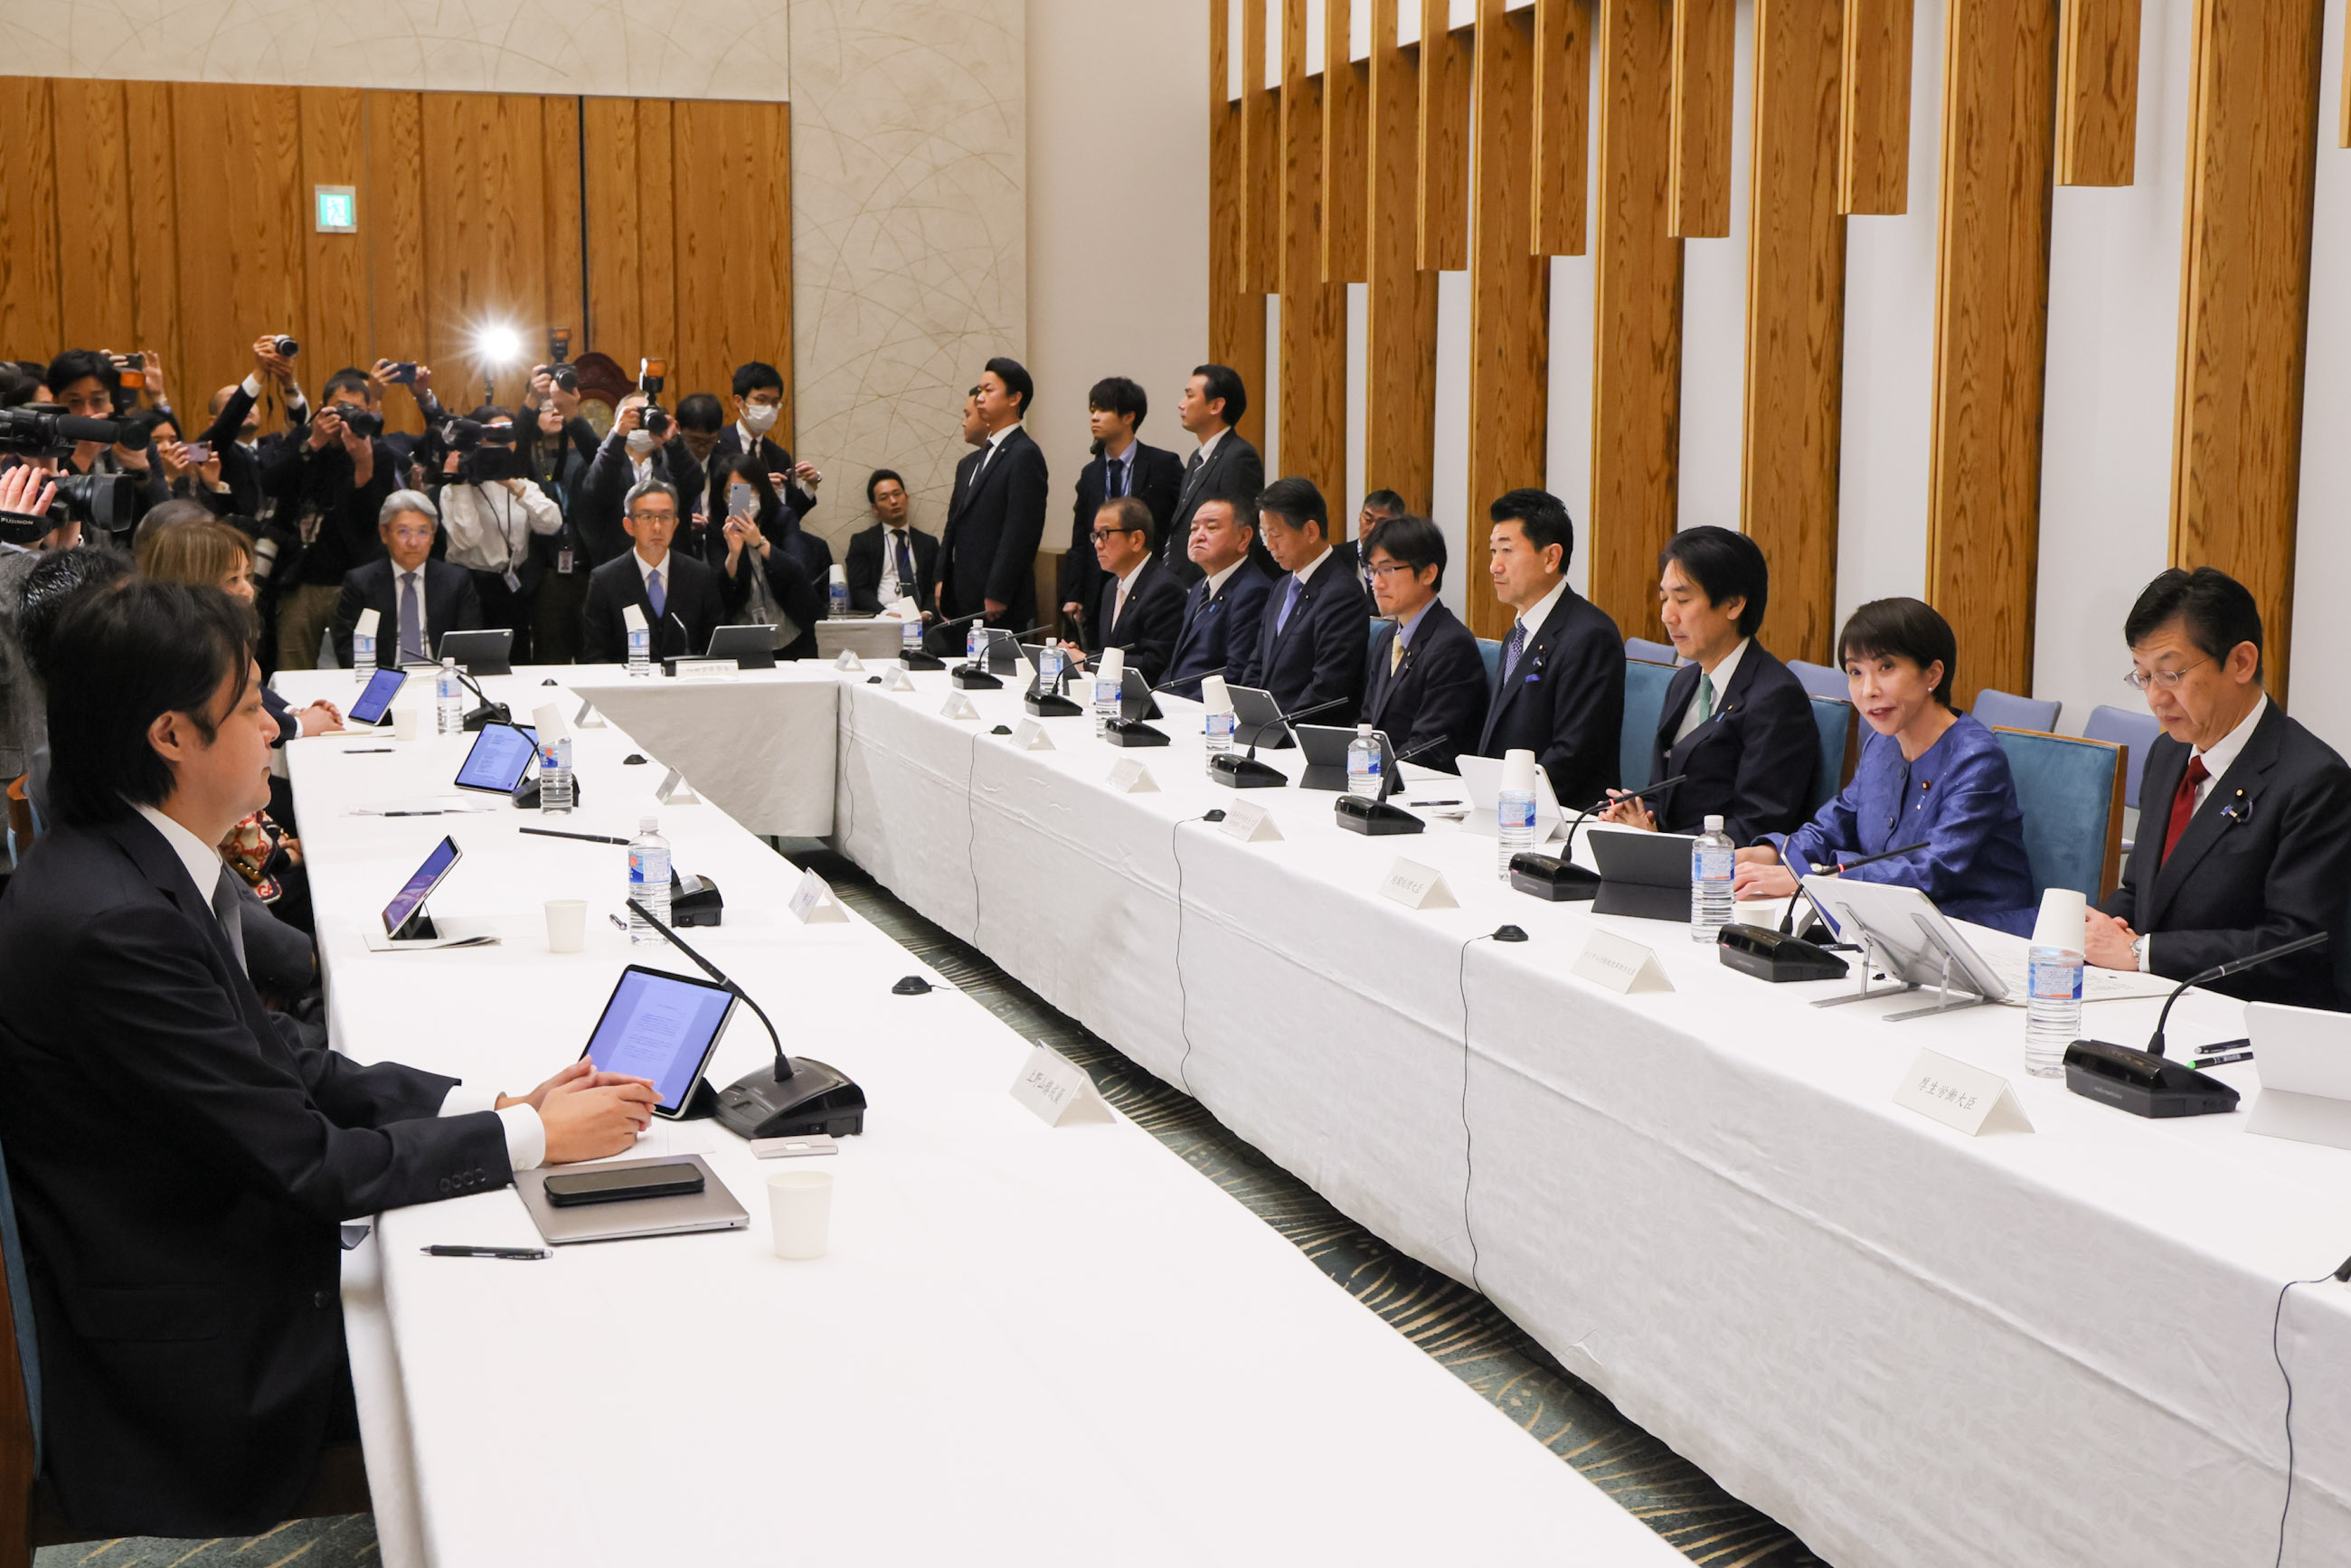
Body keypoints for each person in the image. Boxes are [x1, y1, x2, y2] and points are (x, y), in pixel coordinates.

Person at [0, 579, 657, 1537]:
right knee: (541, 1331)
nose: (274, 725)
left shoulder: (126, 857)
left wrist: (485, 1105)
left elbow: (281, 1064)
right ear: (171, 736)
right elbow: (307, 1166)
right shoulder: (115, 926)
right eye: (251, 703)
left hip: (202, 1262)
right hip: (198, 1370)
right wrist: (524, 1138)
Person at [2085, 568, 2351, 1006]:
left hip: (2245, 1023)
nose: (2155, 698)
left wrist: (2142, 953)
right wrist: (2098, 924)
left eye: (2170, 674)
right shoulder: (2168, 754)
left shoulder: (2313, 781)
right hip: (2150, 1001)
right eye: (2143, 676)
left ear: (2241, 662)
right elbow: (2143, 892)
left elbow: (2298, 943)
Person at [1736, 598, 2035, 935]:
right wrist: (1767, 853)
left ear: (1933, 674)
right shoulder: (1881, 743)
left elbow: (1933, 870)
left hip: (1975, 932)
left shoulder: (1976, 758)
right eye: (1855, 672)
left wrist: (1812, 879)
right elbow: (1836, 823)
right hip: (1889, 925)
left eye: (1886, 668)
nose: (1868, 690)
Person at [1599, 525, 1818, 844]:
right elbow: (1665, 796)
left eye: (1683, 600)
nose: (1667, 616)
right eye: (1664, 599)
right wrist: (1633, 816)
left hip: (1723, 879)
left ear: (1733, 604)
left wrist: (1660, 844)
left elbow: (1759, 827)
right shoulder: (1685, 680)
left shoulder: (1776, 698)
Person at [1469, 488, 1622, 806]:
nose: (1494, 566)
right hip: (1508, 809)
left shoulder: (1590, 636)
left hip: (1561, 818)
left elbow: (1574, 754)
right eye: (1493, 552)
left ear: (1551, 557)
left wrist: (1508, 801)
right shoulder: (1517, 634)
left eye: (1507, 551)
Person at [268, 367, 395, 670]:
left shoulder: (379, 452)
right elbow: (271, 484)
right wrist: (313, 444)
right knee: (292, 666)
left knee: (361, 667)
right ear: (324, 408)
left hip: (355, 579)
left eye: (357, 411)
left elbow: (372, 520)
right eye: (341, 409)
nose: (348, 418)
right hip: (301, 579)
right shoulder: (304, 438)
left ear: (369, 412)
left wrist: (363, 463)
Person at [1059, 375, 1184, 644]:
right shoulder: (1091, 473)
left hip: (1148, 583)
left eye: (1103, 410)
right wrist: (1073, 593)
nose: (1095, 417)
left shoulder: (1163, 464)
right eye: (1092, 410)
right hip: (1098, 587)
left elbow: (1181, 525)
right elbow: (1080, 537)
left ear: (1129, 416)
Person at [1361, 513, 1485, 773]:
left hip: (1423, 788)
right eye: (1372, 570)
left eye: (1388, 569)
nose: (1376, 583)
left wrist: (1374, 767)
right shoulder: (1387, 637)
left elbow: (1432, 746)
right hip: (1381, 781)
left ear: (1428, 573)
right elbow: (1368, 721)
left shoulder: (1452, 646)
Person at [437, 405, 563, 659]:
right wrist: (461, 482)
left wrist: (512, 484)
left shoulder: (523, 485)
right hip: (469, 586)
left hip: (513, 586)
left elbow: (552, 523)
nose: (500, 445)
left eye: (506, 437)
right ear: (476, 441)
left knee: (516, 662)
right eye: (491, 437)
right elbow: (467, 539)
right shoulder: (454, 490)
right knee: (471, 662)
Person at [935, 356, 1048, 636]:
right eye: (980, 390)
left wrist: (999, 589)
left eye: (989, 390)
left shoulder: (1024, 454)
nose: (980, 397)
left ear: (1014, 398)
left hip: (997, 600)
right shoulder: (972, 461)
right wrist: (941, 579)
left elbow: (1021, 529)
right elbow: (953, 525)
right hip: (962, 592)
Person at [1251, 477, 1369, 725]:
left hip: (1301, 733)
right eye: (1264, 536)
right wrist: (1247, 714)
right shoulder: (1281, 587)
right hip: (1267, 729)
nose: (1269, 545)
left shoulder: (1342, 593)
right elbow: (1257, 663)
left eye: (1276, 534)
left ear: (1311, 531)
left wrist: (1277, 726)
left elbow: (1328, 687)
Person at [581, 479, 735, 663]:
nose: (657, 527)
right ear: (629, 526)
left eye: (665, 517)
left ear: (675, 524)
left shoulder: (700, 576)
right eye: (647, 517)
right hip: (629, 685)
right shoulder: (605, 581)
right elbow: (595, 655)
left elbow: (715, 649)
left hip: (687, 685)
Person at [329, 491, 482, 668]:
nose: (413, 542)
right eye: (403, 532)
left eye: (422, 532)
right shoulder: (360, 582)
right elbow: (347, 648)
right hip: (382, 680)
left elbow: (470, 645)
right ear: (384, 534)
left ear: (432, 537)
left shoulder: (456, 581)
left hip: (442, 679)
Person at [705, 361, 825, 579]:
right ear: (739, 401)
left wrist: (809, 487)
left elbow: (788, 515)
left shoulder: (778, 455)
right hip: (724, 547)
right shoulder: (716, 445)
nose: (769, 409)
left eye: (775, 402)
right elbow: (711, 502)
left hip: (768, 552)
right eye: (761, 400)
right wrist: (754, 488)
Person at [706, 454, 824, 659]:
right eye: (730, 492)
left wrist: (760, 543)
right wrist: (733, 554)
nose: (742, 497)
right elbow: (719, 591)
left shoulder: (783, 517)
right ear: (722, 497)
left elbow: (798, 569)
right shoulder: (717, 528)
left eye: (748, 488)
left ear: (761, 488)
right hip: (742, 634)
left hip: (792, 628)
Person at [1161, 492, 1270, 699]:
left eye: (1211, 527)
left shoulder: (1253, 591)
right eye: (1193, 528)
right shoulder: (1198, 589)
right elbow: (1177, 666)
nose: (1198, 536)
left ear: (1244, 537)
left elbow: (1234, 674)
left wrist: (1179, 706)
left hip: (1206, 712)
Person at [1163, 364, 1264, 582]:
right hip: (1182, 581)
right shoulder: (1196, 457)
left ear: (1216, 405)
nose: (1181, 404)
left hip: (1211, 582)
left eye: (1190, 396)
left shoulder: (1239, 457)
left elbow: (1239, 529)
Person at [1078, 496, 1185, 686]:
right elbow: (1112, 652)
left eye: (1105, 534)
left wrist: (1087, 660)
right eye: (1095, 536)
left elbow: (1155, 664)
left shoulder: (1164, 588)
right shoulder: (1111, 587)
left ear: (1136, 539)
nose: (1097, 544)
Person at [845, 469, 939, 613]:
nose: (894, 501)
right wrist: (885, 614)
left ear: (906, 497)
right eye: (884, 498)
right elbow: (859, 590)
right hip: (880, 620)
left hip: (923, 621)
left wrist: (927, 613)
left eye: (897, 494)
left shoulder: (928, 543)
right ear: (875, 508)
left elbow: (936, 587)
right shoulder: (862, 542)